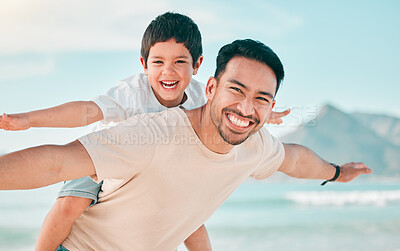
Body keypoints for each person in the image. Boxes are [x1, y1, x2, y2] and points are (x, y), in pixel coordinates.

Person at [0, 39, 371, 251]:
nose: (245, 109)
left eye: (260, 98)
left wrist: (337, 173)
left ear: (271, 106)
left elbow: (293, 159)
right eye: (236, 90)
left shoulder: (255, 145)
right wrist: (29, 118)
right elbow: (56, 162)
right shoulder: (151, 133)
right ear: (211, 88)